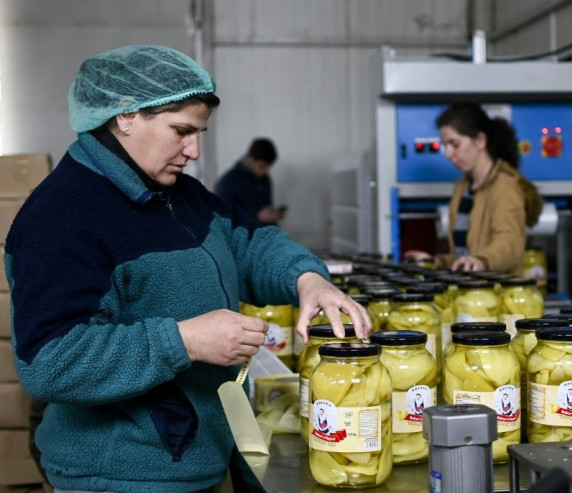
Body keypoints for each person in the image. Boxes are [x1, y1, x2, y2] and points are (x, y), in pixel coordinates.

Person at [4, 45, 371, 493]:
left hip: (198, 455)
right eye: (181, 131)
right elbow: (49, 361)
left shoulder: (178, 194)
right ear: (126, 116)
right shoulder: (63, 217)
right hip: (124, 476)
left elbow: (249, 242)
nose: (193, 150)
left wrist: (306, 278)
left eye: (199, 133)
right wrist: (186, 340)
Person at [404, 102, 543, 274]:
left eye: (455, 144)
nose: (448, 154)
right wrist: (435, 261)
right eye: (445, 145)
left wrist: (482, 261)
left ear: (479, 140)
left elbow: (510, 244)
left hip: (500, 295)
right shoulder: (464, 188)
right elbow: (464, 255)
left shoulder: (505, 186)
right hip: (469, 291)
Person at [215, 137, 285, 225]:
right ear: (251, 159)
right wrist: (256, 216)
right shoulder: (228, 181)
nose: (266, 171)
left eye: (268, 167)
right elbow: (221, 216)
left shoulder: (264, 179)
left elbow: (266, 206)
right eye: (262, 166)